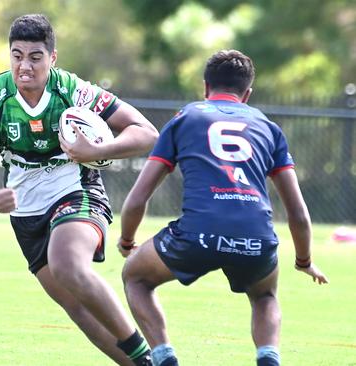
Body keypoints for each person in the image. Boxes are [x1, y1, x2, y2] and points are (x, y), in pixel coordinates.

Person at [0, 14, 159, 366]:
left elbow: (146, 132)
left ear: (52, 58)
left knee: (67, 265)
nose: (24, 66)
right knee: (75, 306)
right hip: (25, 211)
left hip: (76, 191)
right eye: (17, 55)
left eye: (35, 57)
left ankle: (148, 352)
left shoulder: (72, 91)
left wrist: (98, 151)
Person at [118, 49, 329, 366]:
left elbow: (137, 199)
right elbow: (298, 213)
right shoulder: (269, 129)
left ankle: (163, 357)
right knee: (265, 295)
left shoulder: (185, 119)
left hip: (196, 236)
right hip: (255, 238)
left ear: (205, 87)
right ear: (247, 94)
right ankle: (268, 357)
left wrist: (127, 242)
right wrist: (304, 261)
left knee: (135, 277)